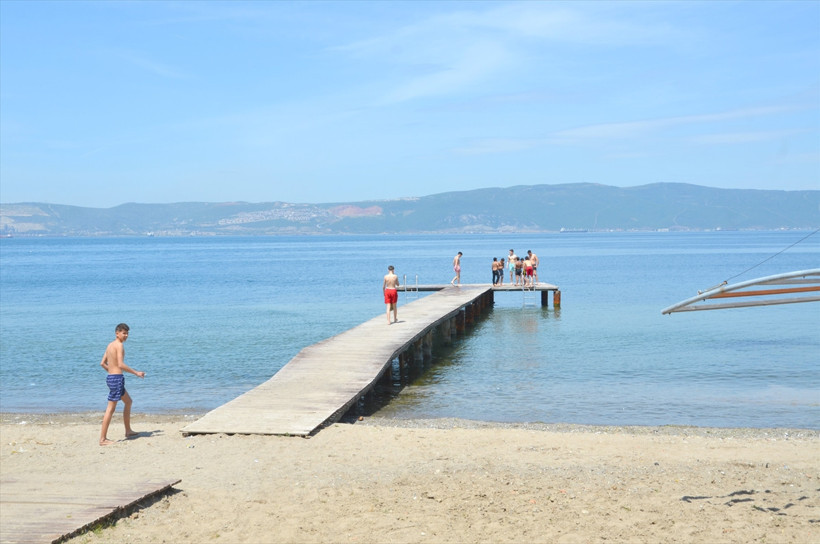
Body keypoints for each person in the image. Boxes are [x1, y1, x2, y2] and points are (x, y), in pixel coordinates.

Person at [99, 323, 145, 446]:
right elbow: (120, 364)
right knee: (110, 408)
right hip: (116, 379)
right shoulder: (119, 346)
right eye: (124, 333)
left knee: (128, 402)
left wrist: (111, 372)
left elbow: (102, 363)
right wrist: (136, 373)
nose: (126, 336)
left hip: (111, 378)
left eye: (127, 333)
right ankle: (102, 439)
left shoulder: (110, 345)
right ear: (117, 333)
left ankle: (128, 431)